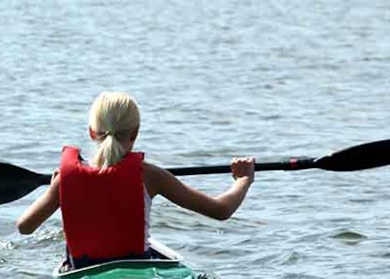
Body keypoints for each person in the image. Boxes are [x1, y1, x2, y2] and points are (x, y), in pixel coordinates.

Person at [16, 92, 256, 269]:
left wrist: (57, 187)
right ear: (135, 133)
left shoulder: (65, 180)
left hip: (82, 272)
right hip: (137, 271)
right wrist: (243, 179)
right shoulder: (150, 175)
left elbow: (24, 227)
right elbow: (221, 210)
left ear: (92, 132)